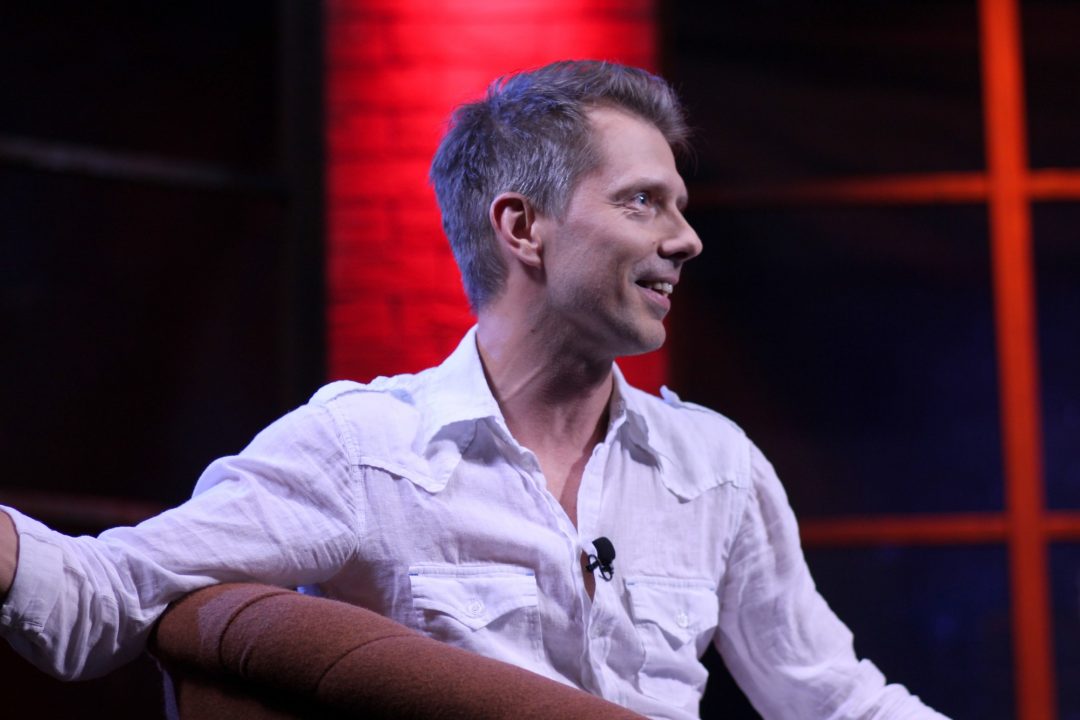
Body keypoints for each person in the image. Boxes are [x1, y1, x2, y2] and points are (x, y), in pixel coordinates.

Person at [0, 60, 947, 719]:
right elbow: (97, 600)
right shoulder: (366, 452)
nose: (686, 239)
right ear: (522, 228)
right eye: (642, 202)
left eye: (681, 207)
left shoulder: (716, 467)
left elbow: (831, 700)